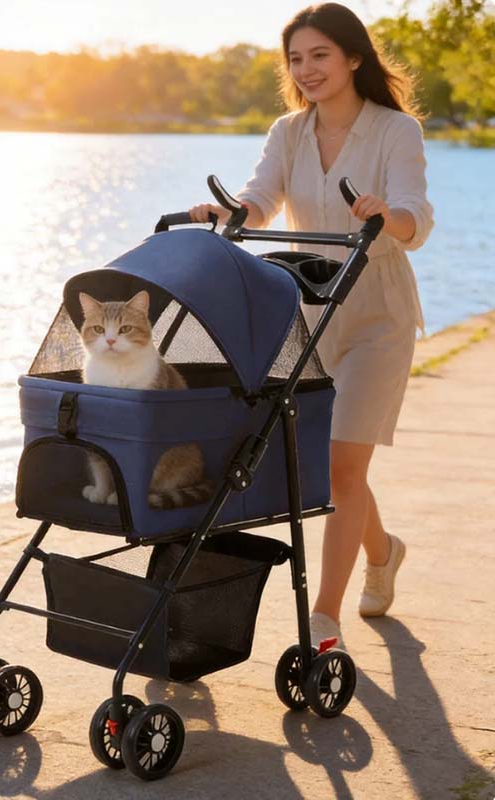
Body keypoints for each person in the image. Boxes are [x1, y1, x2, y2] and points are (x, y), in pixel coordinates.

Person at [190, 2, 433, 649]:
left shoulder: (395, 131)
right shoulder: (288, 131)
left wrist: (389, 215)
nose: (306, 69)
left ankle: (322, 623)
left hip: (378, 313)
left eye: (319, 54)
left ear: (353, 57)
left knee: (341, 468)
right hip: (309, 309)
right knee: (334, 469)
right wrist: (227, 211)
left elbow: (416, 218)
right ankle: (381, 553)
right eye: (296, 59)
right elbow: (260, 199)